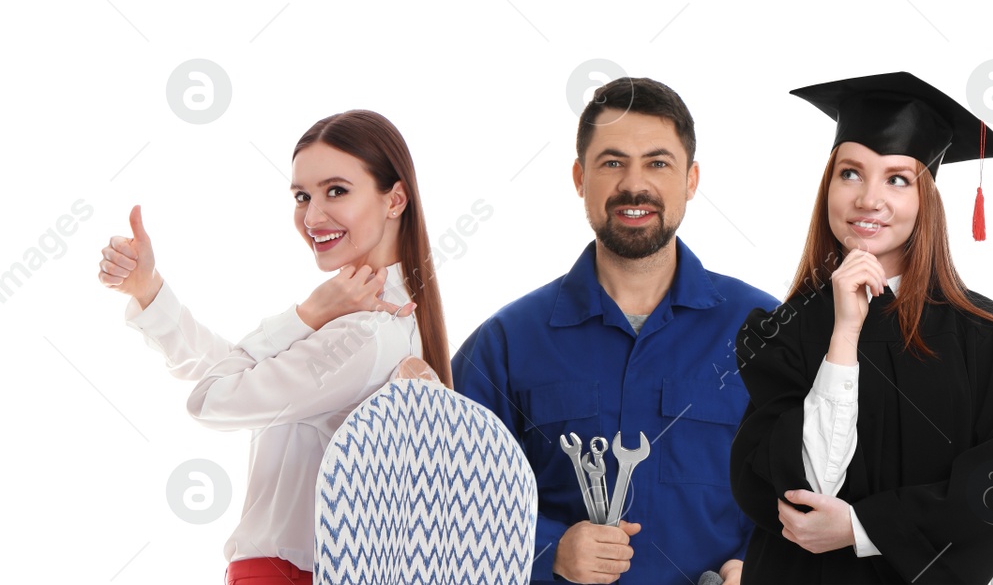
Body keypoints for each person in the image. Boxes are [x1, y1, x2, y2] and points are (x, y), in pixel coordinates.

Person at [97, 109, 451, 584]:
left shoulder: (362, 332)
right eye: (302, 196)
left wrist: (304, 314)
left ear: (395, 199)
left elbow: (212, 399)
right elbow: (239, 379)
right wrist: (148, 291)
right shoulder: (373, 319)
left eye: (337, 191)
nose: (312, 216)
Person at [451, 77, 775, 585]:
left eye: (658, 163)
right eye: (612, 162)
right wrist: (547, 551)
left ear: (691, 180)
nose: (634, 184)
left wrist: (761, 566)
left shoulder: (763, 330)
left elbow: (815, 485)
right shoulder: (507, 343)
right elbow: (452, 498)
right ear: (580, 178)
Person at [730, 71, 993, 583]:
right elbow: (797, 488)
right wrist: (844, 335)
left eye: (897, 178)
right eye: (850, 173)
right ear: (828, 186)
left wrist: (860, 527)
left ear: (926, 199)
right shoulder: (780, 334)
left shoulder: (991, 342)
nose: (868, 199)